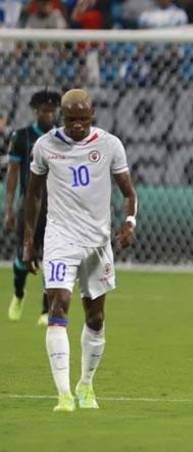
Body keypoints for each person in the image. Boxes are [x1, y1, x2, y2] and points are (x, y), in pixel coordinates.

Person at [22, 89, 138, 412]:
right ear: (62, 116)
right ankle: (63, 395)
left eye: (83, 119)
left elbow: (129, 193)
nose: (77, 125)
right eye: (71, 119)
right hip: (60, 239)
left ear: (92, 116)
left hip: (97, 243)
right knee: (58, 306)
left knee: (96, 317)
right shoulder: (45, 146)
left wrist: (129, 223)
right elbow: (33, 194)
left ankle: (85, 384)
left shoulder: (110, 145)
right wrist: (29, 240)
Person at [6, 91, 58, 325]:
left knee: (52, 258)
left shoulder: (61, 138)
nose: (49, 115)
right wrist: (9, 209)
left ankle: (46, 310)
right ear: (36, 111)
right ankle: (19, 294)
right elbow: (12, 174)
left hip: (55, 208)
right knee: (22, 257)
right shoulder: (22, 137)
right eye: (45, 111)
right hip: (28, 207)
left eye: (52, 111)